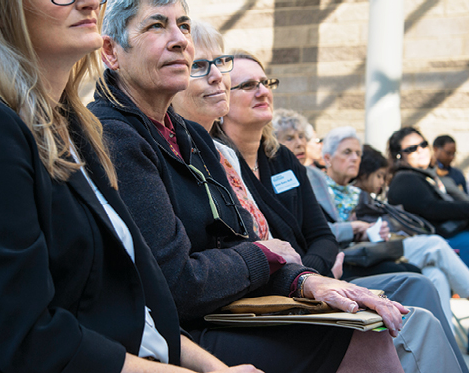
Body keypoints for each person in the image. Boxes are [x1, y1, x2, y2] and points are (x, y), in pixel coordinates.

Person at [0, 0, 260, 373]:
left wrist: (213, 369)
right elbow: (34, 342)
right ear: (1, 5)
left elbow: (145, 303)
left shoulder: (74, 126)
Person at [90, 0, 408, 373]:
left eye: (183, 25)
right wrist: (264, 256)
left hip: (228, 307)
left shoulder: (186, 133)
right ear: (111, 52)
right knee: (366, 340)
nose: (179, 40)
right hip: (172, 334)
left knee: (377, 322)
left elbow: (245, 241)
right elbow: (179, 284)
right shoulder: (114, 134)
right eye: (157, 25)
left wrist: (305, 281)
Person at [172, 31, 466, 372]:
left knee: (423, 282)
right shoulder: (214, 156)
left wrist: (309, 275)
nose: (263, 91)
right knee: (408, 305)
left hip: (303, 275)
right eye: (248, 85)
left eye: (265, 82)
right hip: (266, 293)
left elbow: (319, 232)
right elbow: (246, 252)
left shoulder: (279, 158)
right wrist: (306, 279)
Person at [355, 144, 469, 329]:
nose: (382, 182)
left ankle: (445, 340)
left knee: (436, 275)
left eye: (383, 176)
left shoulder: (375, 196)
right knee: (435, 244)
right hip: (369, 258)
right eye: (378, 176)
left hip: (387, 250)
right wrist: (354, 227)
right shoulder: (357, 195)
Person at [305, 126, 421, 280]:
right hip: (331, 262)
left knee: (421, 271)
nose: (354, 158)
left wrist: (369, 233)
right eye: (347, 152)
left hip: (358, 255)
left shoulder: (358, 194)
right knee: (410, 273)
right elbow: (315, 231)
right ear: (327, 158)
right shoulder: (315, 189)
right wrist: (354, 228)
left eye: (358, 153)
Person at [388, 127, 469, 267]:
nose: (420, 150)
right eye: (411, 148)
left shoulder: (422, 174)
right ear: (398, 155)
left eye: (423, 144)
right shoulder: (405, 178)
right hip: (435, 244)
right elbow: (433, 209)